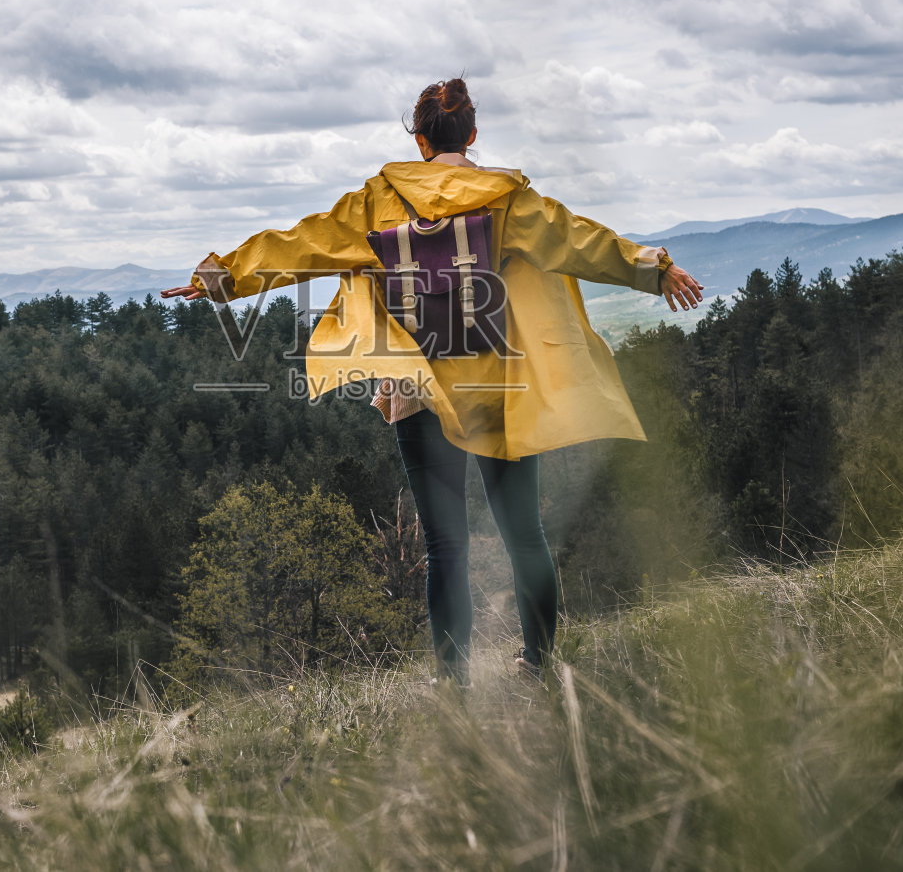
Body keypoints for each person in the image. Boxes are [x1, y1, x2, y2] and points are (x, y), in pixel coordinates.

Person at [164, 78, 703, 686]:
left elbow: (301, 246)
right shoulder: (508, 200)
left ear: (419, 139)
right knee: (525, 535)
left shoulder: (377, 201)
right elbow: (579, 240)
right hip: (501, 386)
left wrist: (221, 277)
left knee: (446, 545)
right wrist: (656, 271)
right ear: (471, 135)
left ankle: (452, 681)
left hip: (420, 389)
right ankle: (539, 667)